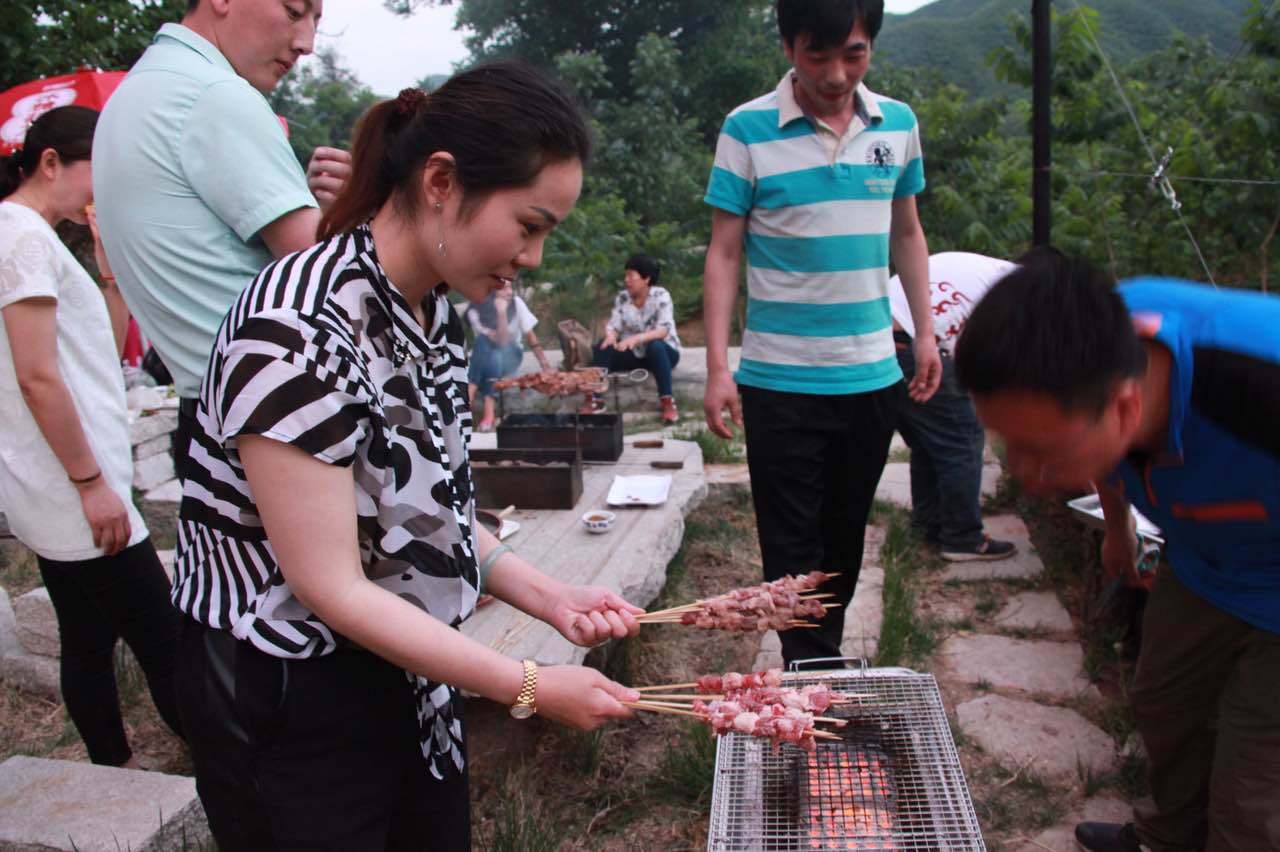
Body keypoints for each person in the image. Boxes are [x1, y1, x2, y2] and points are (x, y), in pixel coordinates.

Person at [171, 64, 643, 851]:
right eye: (529, 225)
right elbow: (331, 588)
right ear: (440, 181)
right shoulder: (296, 331)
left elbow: (434, 511)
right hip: (290, 682)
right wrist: (530, 685)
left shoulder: (432, 316)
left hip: (404, 658)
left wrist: (550, 597)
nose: (532, 257)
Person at [954, 249, 1280, 852]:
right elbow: (1103, 449)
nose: (1024, 473)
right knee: (1165, 701)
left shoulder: (1258, 385)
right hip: (1203, 560)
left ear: (1127, 409)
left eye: (1037, 450)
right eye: (1007, 443)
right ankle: (1166, 838)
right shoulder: (1088, 342)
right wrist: (1119, 529)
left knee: (1252, 786)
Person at [701, 0, 942, 666]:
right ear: (787, 46)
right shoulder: (747, 129)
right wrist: (719, 366)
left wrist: (924, 332)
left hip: (871, 375)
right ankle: (808, 671)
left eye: (854, 54)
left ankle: (821, 658)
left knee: (843, 535)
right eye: (819, 56)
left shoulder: (897, 124)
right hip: (780, 380)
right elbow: (724, 252)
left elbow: (908, 232)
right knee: (789, 543)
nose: (837, 73)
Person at [0, 106, 184, 768]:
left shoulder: (37, 238)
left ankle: (113, 761)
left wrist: (108, 274)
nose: (102, 191)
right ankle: (231, 772)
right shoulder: (19, 236)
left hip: (67, 484)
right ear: (51, 163)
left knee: (86, 637)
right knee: (164, 638)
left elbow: (95, 360)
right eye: (95, 173)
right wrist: (91, 485)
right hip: (75, 485)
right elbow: (38, 379)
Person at [92, 0, 342, 483]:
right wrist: (364, 205)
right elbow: (328, 281)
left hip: (208, 412)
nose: (306, 42)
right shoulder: (215, 94)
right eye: (294, 11)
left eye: (316, 22)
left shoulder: (140, 88)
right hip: (278, 413)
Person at [888, 252, 1016, 561]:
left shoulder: (987, 270)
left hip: (876, 342)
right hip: (911, 346)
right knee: (962, 440)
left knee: (928, 441)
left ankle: (929, 524)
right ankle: (962, 537)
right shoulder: (1026, 289)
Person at [581, 254, 683, 422]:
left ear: (646, 278)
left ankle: (667, 403)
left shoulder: (661, 295)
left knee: (655, 346)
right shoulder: (623, 297)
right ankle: (594, 400)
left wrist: (635, 339)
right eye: (625, 275)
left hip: (663, 353)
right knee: (603, 347)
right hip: (634, 354)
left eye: (631, 275)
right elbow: (614, 325)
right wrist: (611, 337)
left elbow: (663, 330)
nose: (626, 280)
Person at [465, 280, 550, 431]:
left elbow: (515, 339)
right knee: (486, 346)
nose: (509, 292)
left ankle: (468, 396)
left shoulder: (517, 304)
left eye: (510, 287)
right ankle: (489, 413)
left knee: (488, 347)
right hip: (487, 358)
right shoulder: (475, 310)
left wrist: (545, 365)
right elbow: (494, 342)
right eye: (504, 289)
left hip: (511, 354)